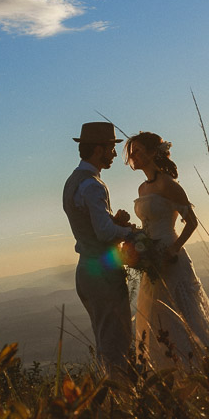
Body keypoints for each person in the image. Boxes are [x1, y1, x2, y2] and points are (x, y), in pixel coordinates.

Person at [124, 131, 209, 367]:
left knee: (191, 317)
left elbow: (191, 222)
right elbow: (147, 225)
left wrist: (174, 248)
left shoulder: (168, 185)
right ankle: (176, 373)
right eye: (132, 152)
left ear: (153, 153)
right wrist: (138, 241)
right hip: (151, 261)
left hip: (172, 260)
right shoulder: (142, 189)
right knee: (159, 318)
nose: (134, 155)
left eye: (139, 150)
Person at [63, 121, 139, 371]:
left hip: (85, 270)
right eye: (111, 148)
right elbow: (104, 232)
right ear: (98, 149)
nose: (115, 153)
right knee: (117, 342)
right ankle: (121, 399)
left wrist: (112, 221)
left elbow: (91, 223)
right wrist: (131, 232)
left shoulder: (72, 182)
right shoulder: (93, 185)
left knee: (105, 339)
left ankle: (114, 396)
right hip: (103, 273)